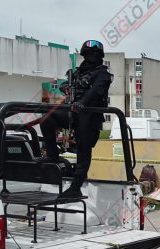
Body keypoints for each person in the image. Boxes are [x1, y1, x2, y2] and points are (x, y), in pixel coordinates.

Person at [38, 40, 112, 199]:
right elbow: (65, 83)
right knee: (46, 119)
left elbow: (96, 91)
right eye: (88, 54)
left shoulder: (103, 74)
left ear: (99, 56)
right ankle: (52, 156)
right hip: (72, 112)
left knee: (83, 150)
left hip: (90, 115)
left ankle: (76, 186)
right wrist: (64, 86)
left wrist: (82, 103)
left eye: (94, 54)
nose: (91, 57)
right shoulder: (78, 72)